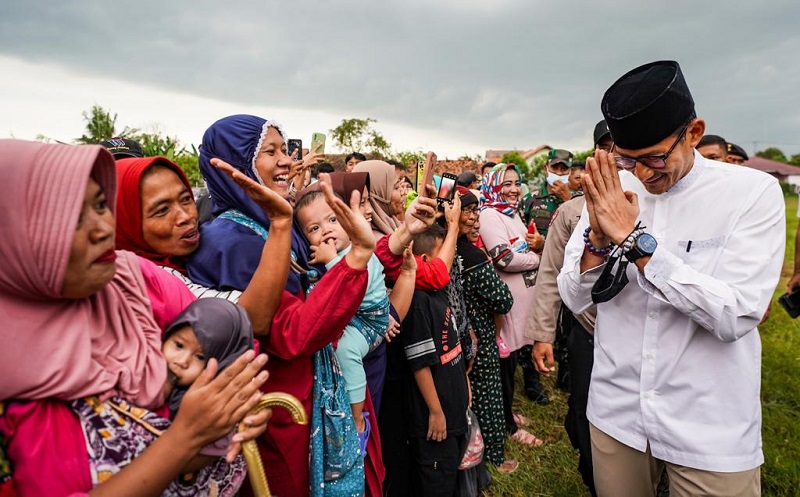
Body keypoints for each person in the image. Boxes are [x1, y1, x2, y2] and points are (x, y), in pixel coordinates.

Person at [558, 60, 784, 497]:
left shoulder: (751, 194)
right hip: (617, 412)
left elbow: (735, 314)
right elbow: (573, 297)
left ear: (695, 132)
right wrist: (599, 243)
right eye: (628, 159)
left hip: (708, 425)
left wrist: (637, 242)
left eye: (655, 158)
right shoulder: (612, 189)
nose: (641, 174)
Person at [0, 139, 270, 497]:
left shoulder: (132, 279)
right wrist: (184, 440)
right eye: (71, 218)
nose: (103, 229)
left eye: (100, 205)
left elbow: (233, 338)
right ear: (15, 233)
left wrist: (233, 410)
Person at [185, 114, 385, 496]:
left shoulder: (272, 220)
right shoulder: (229, 240)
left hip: (312, 386)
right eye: (269, 152)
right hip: (279, 405)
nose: (286, 161)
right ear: (234, 163)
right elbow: (289, 334)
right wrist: (357, 255)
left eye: (285, 150)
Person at [294, 186, 390, 453]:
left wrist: (330, 261)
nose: (325, 230)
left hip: (370, 323)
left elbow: (352, 286)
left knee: (346, 349)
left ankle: (358, 418)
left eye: (333, 220)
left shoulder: (361, 250)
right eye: (314, 228)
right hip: (356, 317)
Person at [402, 225, 470, 497]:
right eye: (443, 251)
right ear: (426, 261)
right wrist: (436, 412)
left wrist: (464, 382)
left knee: (450, 475)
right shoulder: (418, 301)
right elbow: (420, 364)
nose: (449, 257)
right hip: (434, 420)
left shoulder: (438, 290)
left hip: (452, 407)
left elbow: (451, 344)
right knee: (436, 483)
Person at [478, 163, 544, 447]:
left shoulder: (511, 213)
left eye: (517, 183)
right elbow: (504, 258)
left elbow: (523, 248)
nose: (514, 189)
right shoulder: (490, 215)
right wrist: (538, 260)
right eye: (507, 184)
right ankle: (507, 426)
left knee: (514, 362)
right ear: (493, 185)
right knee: (504, 367)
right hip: (506, 309)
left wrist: (534, 249)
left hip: (521, 306)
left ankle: (509, 412)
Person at [454, 187, 517, 473]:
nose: (474, 218)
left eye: (476, 210)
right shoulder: (473, 257)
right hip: (480, 334)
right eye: (467, 211)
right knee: (487, 393)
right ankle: (493, 456)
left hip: (457, 337)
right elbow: (503, 299)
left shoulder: (440, 248)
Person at [163, 298, 255, 458]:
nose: (182, 362)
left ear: (222, 364)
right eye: (178, 345)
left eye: (200, 357)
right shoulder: (145, 376)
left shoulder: (215, 415)